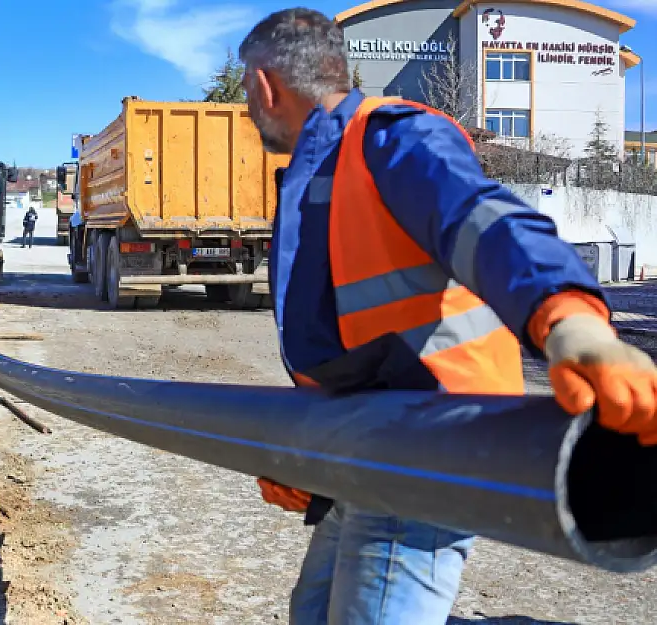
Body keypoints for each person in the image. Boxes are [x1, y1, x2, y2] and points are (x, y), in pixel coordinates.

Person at [239, 8, 657, 625]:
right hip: (369, 440)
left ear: (266, 85)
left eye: (247, 89)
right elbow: (354, 344)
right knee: (314, 613)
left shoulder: (390, 137)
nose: (248, 104)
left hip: (430, 446)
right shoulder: (320, 168)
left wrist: (571, 321)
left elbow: (487, 222)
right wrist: (312, 454)